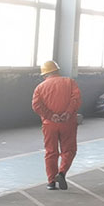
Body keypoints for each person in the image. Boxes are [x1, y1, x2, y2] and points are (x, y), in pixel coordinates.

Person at [32, 60, 81, 190]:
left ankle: (51, 182)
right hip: (68, 123)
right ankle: (62, 173)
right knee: (69, 150)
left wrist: (50, 115)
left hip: (49, 124)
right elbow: (76, 100)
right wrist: (67, 113)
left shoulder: (40, 87)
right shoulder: (70, 82)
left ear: (44, 74)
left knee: (51, 152)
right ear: (57, 70)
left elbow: (36, 105)